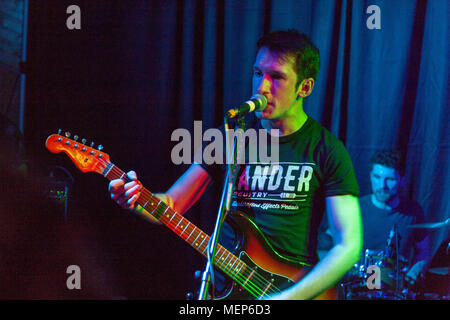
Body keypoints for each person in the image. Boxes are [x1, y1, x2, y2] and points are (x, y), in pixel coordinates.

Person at [108, 29, 363, 300]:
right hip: (226, 290)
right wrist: (136, 199)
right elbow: (172, 204)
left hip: (288, 289)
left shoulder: (327, 150)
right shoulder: (230, 137)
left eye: (276, 77)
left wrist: (291, 297)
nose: (262, 87)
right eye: (257, 73)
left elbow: (349, 244)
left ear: (305, 87)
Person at [360, 150, 430, 285]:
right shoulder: (354, 209)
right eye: (377, 177)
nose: (382, 186)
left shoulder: (413, 211)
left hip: (394, 288)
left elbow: (423, 250)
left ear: (402, 181)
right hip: (356, 286)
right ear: (370, 176)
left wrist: (416, 270)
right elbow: (330, 247)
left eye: (390, 179)